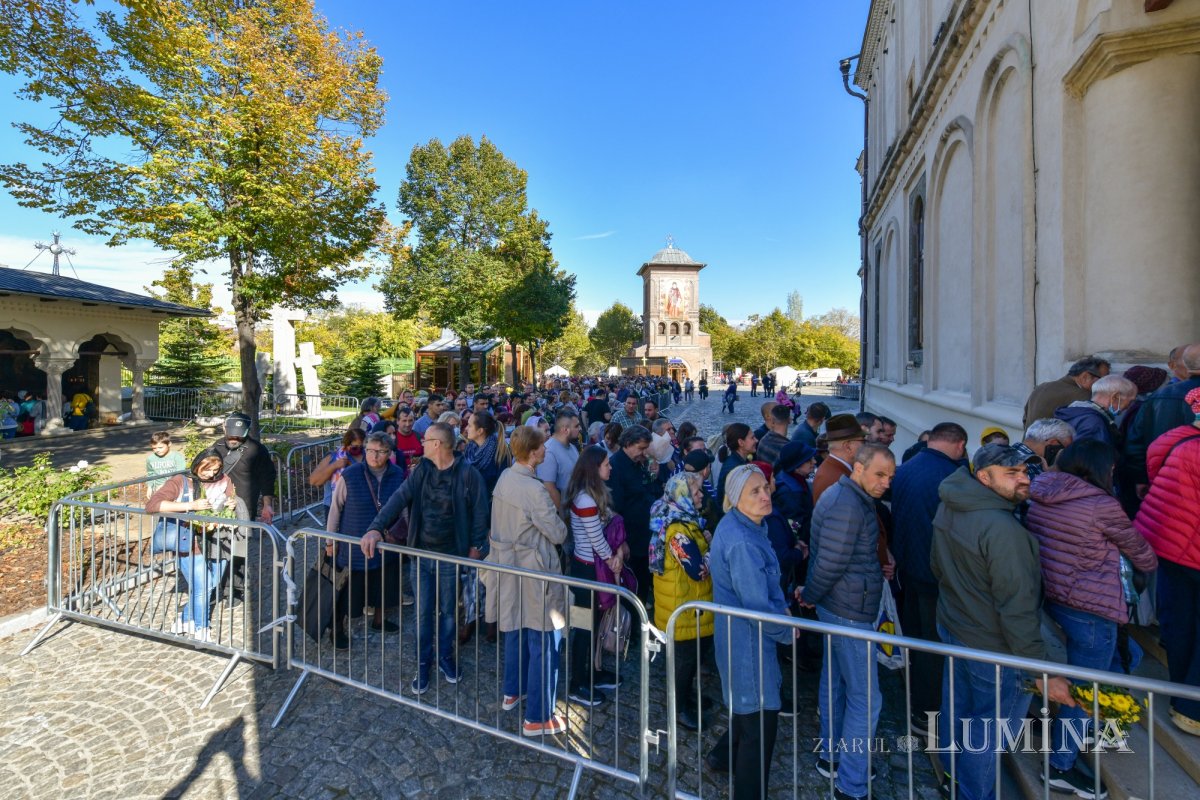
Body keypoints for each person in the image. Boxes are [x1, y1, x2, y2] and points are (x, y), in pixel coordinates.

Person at [931, 443, 1075, 800]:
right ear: (984, 476)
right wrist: (1040, 671)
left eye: (1025, 472)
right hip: (993, 647)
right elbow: (1018, 609)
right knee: (989, 730)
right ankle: (973, 794)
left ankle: (952, 776)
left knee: (958, 710)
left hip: (957, 627)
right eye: (1011, 473)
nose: (1023, 479)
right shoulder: (1003, 530)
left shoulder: (952, 502)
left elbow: (938, 566)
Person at [1026, 439, 1157, 793]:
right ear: (1101, 468)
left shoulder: (1040, 488)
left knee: (1118, 663)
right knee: (1085, 689)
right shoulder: (1101, 505)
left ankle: (1105, 725)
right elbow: (1141, 553)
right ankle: (1060, 764)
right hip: (1092, 607)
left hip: (1054, 596)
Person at [361, 422, 489, 694]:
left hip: (452, 557)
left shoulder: (468, 474)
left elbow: (480, 514)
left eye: (427, 440)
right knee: (422, 613)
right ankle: (423, 662)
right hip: (420, 555)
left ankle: (445, 657)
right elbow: (398, 499)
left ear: (438, 445)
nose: (422, 443)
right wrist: (375, 527)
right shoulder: (421, 472)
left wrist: (476, 549)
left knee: (448, 612)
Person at [798, 444, 894, 800]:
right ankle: (852, 783)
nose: (886, 483)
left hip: (843, 604)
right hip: (847, 608)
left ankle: (832, 755)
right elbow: (830, 563)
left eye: (889, 477)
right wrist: (810, 593)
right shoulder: (846, 504)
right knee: (866, 698)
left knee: (836, 681)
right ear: (858, 468)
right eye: (880, 475)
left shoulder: (850, 496)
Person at [704, 464, 791, 799]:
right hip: (748, 642)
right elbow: (755, 605)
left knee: (747, 706)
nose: (765, 495)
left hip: (741, 638)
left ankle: (724, 756)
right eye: (754, 491)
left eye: (765, 488)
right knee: (758, 719)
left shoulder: (744, 525)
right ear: (734, 498)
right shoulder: (741, 540)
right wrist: (786, 631)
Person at [483, 426, 570, 737]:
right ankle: (537, 716)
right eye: (542, 447)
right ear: (533, 453)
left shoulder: (507, 476)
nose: (546, 450)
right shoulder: (533, 490)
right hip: (533, 569)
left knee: (516, 629)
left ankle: (513, 690)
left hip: (509, 565)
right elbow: (557, 532)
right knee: (544, 638)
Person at [888, 422, 968, 733]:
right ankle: (926, 712)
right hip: (935, 575)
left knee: (919, 640)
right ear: (959, 445)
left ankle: (920, 704)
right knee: (933, 647)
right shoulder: (952, 476)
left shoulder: (907, 467)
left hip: (910, 566)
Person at [1133, 387, 1200, 734]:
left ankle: (1179, 694)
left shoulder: (1172, 439)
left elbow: (1155, 477)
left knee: (1178, 622)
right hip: (1192, 549)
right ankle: (1192, 711)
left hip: (1166, 543)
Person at [146, 450, 248, 643]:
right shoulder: (181, 481)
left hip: (219, 540)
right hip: (191, 541)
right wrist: (191, 505)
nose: (211, 474)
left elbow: (229, 499)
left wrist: (231, 503)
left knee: (212, 583)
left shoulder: (224, 479)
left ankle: (184, 619)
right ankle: (202, 629)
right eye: (206, 469)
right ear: (197, 465)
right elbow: (153, 505)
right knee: (202, 586)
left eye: (215, 470)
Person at [324, 431, 406, 648]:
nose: (374, 455)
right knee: (346, 588)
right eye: (370, 450)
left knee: (384, 582)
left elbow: (403, 506)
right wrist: (330, 542)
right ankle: (337, 629)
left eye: (380, 451)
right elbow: (335, 509)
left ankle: (379, 620)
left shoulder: (397, 474)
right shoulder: (350, 475)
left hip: (385, 542)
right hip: (353, 541)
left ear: (389, 453)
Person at [649, 472, 714, 732]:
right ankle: (679, 709)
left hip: (688, 603)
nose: (701, 495)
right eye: (696, 492)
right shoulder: (676, 529)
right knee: (684, 663)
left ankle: (687, 697)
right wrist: (712, 552)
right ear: (683, 496)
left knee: (690, 659)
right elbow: (696, 569)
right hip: (682, 606)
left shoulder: (684, 519)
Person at [563, 445, 624, 706]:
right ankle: (577, 682)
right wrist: (613, 559)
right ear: (594, 468)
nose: (610, 467)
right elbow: (596, 538)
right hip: (587, 569)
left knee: (595, 624)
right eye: (606, 464)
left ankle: (592, 671)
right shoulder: (585, 499)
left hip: (593, 566)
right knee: (584, 626)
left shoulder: (592, 494)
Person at [209, 413, 276, 601]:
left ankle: (236, 588)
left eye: (238, 435)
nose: (234, 439)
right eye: (231, 435)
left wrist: (267, 505)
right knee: (216, 546)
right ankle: (216, 586)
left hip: (244, 507)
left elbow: (267, 478)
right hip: (218, 506)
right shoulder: (216, 447)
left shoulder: (256, 449)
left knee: (238, 548)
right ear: (224, 429)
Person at [1124, 342, 1200, 492]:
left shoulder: (1158, 396)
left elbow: (1135, 442)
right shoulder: (1158, 397)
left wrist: (1141, 479)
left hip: (1163, 481)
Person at [607, 425, 662, 602]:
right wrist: (621, 541)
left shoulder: (638, 462)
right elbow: (615, 508)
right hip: (630, 539)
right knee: (633, 588)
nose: (644, 453)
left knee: (643, 584)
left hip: (643, 535)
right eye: (641, 448)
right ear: (628, 443)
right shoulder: (615, 466)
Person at [1023, 356, 1112, 429]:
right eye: (1104, 380)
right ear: (1085, 377)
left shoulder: (1041, 387)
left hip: (1027, 446)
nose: (1107, 385)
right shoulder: (1084, 396)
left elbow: (1025, 419)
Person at [1054, 374, 1136, 450]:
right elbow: (1090, 460)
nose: (1129, 406)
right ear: (1115, 397)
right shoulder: (1094, 422)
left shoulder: (1077, 412)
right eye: (1131, 401)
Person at [308, 428, 368, 520]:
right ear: (346, 445)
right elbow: (313, 480)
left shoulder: (368, 455)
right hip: (334, 506)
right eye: (355, 448)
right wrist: (334, 466)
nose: (359, 450)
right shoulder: (334, 457)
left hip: (360, 505)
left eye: (362, 447)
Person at [812, 414, 866, 503]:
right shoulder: (836, 480)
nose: (864, 445)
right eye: (863, 441)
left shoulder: (834, 469)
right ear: (848, 447)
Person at [537, 409, 580, 510]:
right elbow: (549, 488)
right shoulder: (548, 452)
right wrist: (561, 520)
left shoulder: (572, 447)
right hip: (564, 515)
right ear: (565, 430)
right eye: (576, 426)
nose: (580, 429)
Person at [715, 423, 757, 517]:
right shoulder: (735, 469)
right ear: (741, 442)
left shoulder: (739, 461)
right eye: (752, 438)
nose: (756, 440)